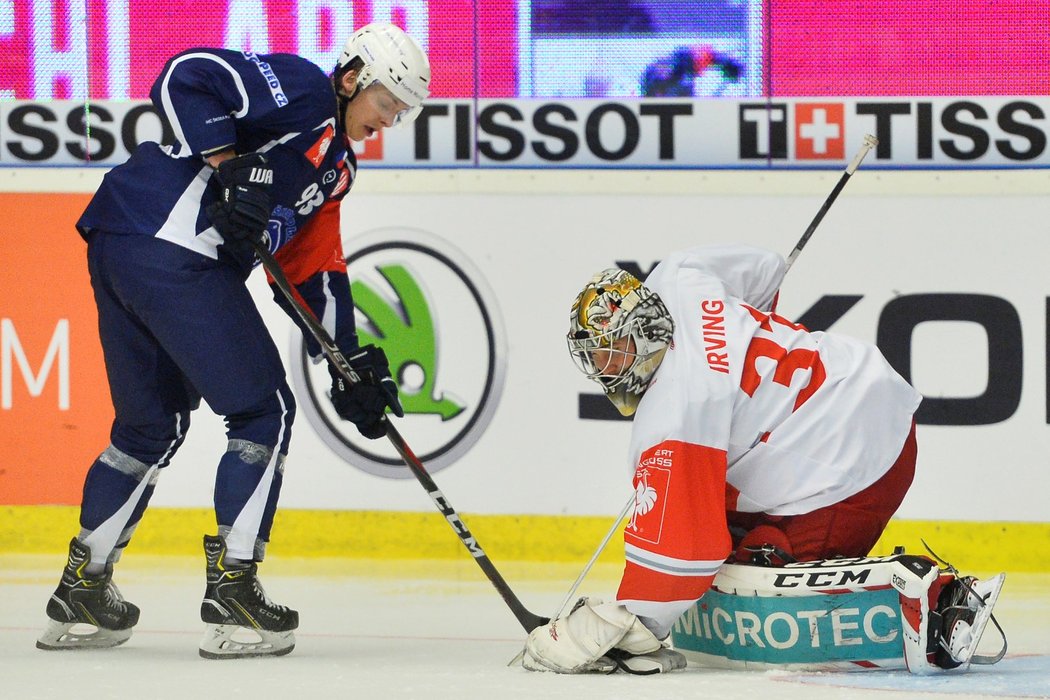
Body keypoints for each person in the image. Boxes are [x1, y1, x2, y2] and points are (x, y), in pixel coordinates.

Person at [36, 23, 429, 659]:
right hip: (169, 248)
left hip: (126, 244)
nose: (387, 120)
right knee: (264, 412)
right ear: (354, 77)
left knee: (148, 428)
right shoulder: (303, 89)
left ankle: (84, 584)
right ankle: (235, 592)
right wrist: (228, 166)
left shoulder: (335, 171)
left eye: (401, 112)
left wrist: (351, 361)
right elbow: (185, 72)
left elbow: (312, 269)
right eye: (386, 103)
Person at [523, 244, 930, 673]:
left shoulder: (677, 409)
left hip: (855, 465)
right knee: (721, 499)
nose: (606, 369)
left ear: (643, 331)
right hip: (860, 379)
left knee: (758, 562)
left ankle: (935, 605)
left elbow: (685, 552)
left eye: (613, 351)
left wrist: (630, 626)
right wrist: (727, 343)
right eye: (595, 357)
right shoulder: (678, 277)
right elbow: (766, 269)